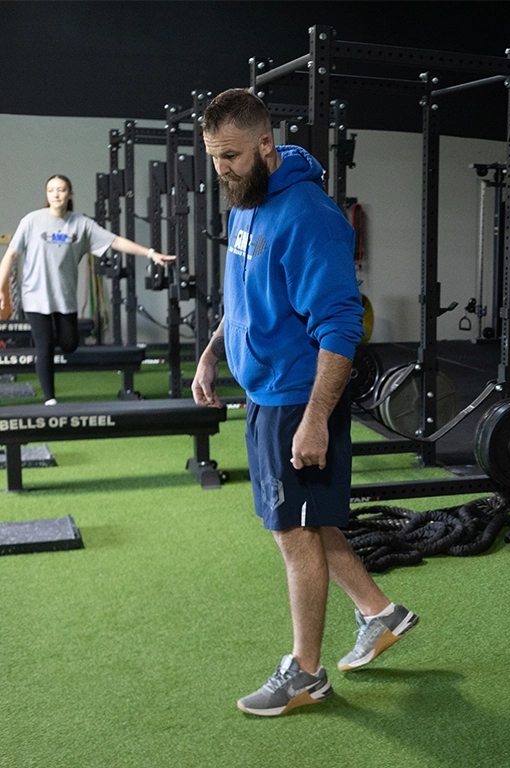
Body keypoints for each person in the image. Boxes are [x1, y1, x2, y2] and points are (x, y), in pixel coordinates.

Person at [191, 88, 417, 717]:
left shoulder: (310, 215)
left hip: (297, 396)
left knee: (291, 531)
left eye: (232, 156)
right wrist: (214, 353)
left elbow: (343, 325)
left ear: (266, 145)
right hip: (265, 390)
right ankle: (380, 611)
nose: (223, 171)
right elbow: (241, 298)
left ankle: (307, 674)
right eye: (215, 158)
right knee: (312, 519)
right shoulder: (246, 201)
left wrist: (316, 417)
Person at [0, 175, 176, 404]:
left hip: (64, 298)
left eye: (61, 190)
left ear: (69, 194)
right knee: (44, 346)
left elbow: (115, 241)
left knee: (70, 344)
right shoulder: (31, 221)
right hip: (35, 296)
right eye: (51, 190)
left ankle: (54, 335)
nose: (55, 194)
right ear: (47, 194)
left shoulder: (81, 224)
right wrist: (1, 290)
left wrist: (151, 253)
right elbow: (10, 255)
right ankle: (50, 399)